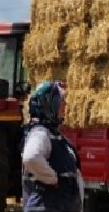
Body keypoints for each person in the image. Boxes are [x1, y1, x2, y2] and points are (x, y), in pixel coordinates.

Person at [21, 81, 84, 212]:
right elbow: (31, 157)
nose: (65, 105)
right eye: (61, 101)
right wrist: (52, 178)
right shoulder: (40, 133)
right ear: (50, 104)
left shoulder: (53, 135)